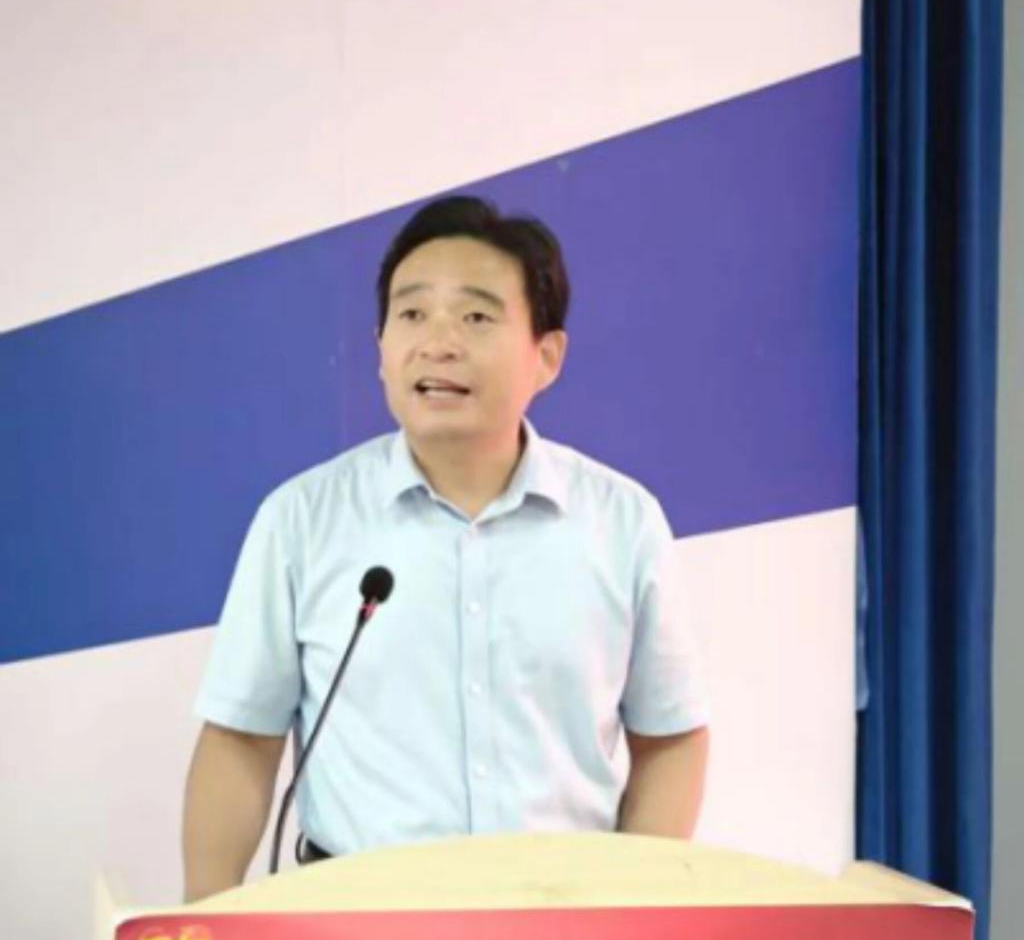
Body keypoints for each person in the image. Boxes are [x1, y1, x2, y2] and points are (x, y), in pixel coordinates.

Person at [182, 195, 710, 902]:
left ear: (546, 356)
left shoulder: (622, 522)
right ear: (381, 349)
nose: (438, 342)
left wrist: (635, 909)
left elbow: (670, 737)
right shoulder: (302, 520)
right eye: (412, 314)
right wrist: (202, 923)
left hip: (564, 922)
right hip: (355, 926)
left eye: (476, 317)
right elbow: (242, 740)